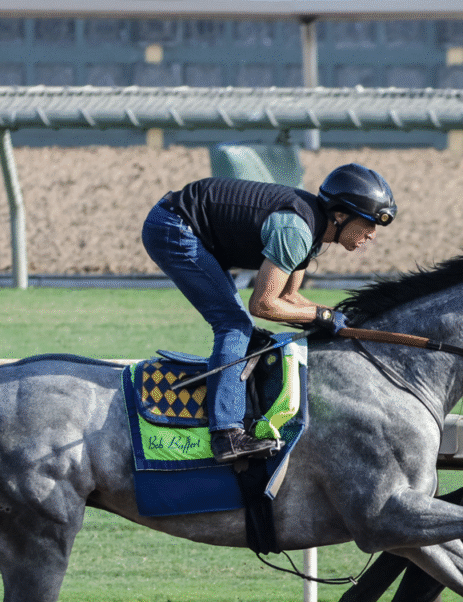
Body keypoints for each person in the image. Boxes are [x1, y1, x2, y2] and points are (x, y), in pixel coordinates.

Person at [142, 163, 397, 464]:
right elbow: (263, 305)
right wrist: (322, 318)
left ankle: (239, 411)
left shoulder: (315, 233)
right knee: (234, 325)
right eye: (368, 223)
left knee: (242, 326)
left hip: (194, 225)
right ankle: (227, 435)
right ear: (340, 215)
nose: (372, 235)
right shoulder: (296, 232)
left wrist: (332, 314)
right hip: (173, 225)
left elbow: (289, 297)